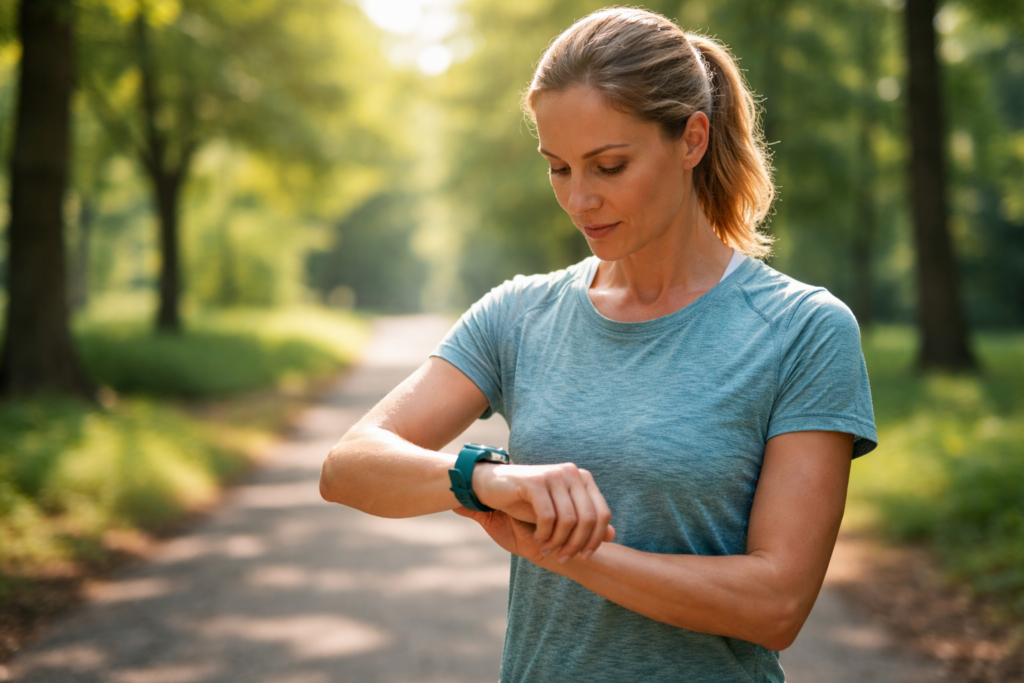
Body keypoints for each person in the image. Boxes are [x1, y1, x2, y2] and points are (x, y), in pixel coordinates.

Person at [319, 7, 877, 682]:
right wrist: (488, 480)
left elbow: (776, 603)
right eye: (558, 168)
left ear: (692, 139)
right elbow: (348, 465)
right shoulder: (521, 313)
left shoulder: (803, 330)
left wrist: (566, 551)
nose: (580, 199)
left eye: (608, 166)